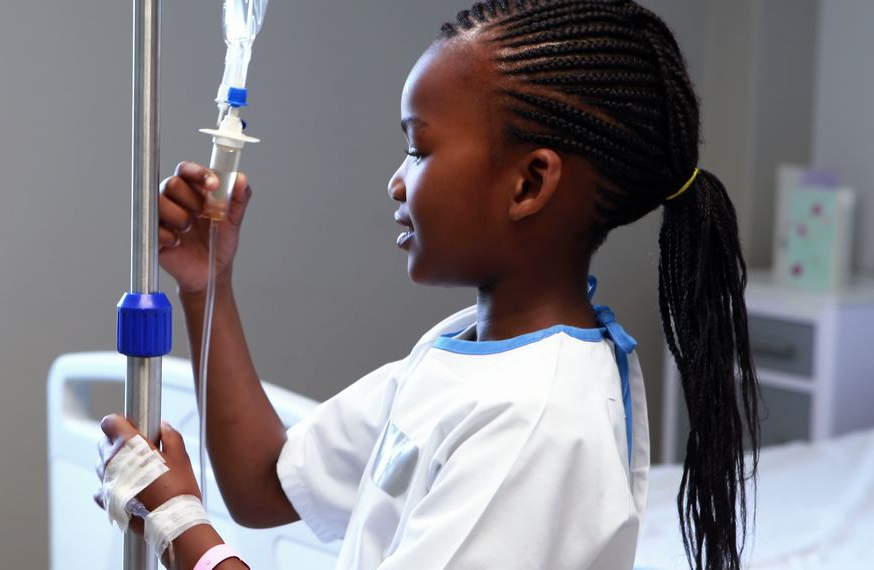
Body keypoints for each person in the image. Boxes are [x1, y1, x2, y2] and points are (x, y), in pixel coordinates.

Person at [95, 1, 760, 568]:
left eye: (419, 148)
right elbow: (267, 482)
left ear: (528, 183)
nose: (396, 181)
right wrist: (208, 287)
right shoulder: (466, 348)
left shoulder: (537, 420)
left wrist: (185, 533)